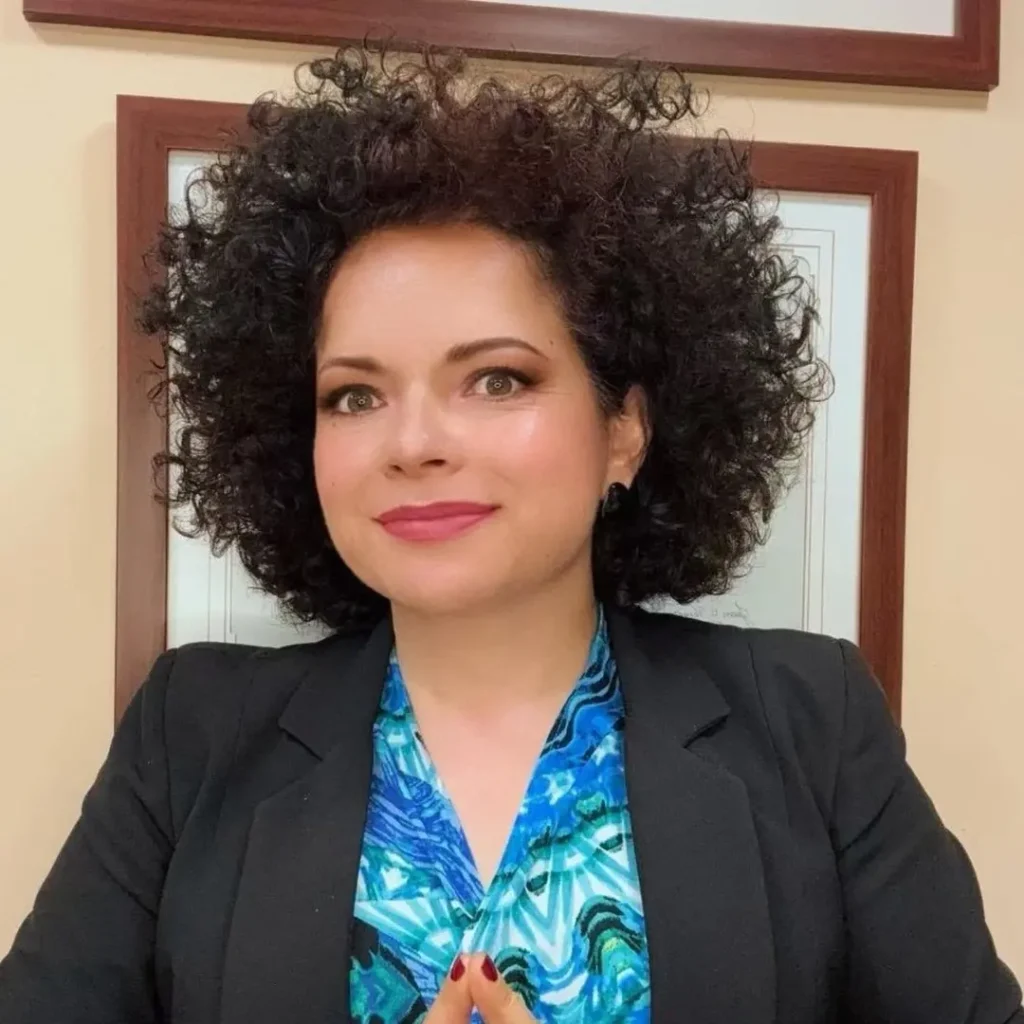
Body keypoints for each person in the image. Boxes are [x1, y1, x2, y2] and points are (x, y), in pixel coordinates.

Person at [0, 43, 1020, 1024]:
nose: (413, 443)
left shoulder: (812, 725)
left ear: (623, 430)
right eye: (354, 395)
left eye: (497, 379)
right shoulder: (190, 736)